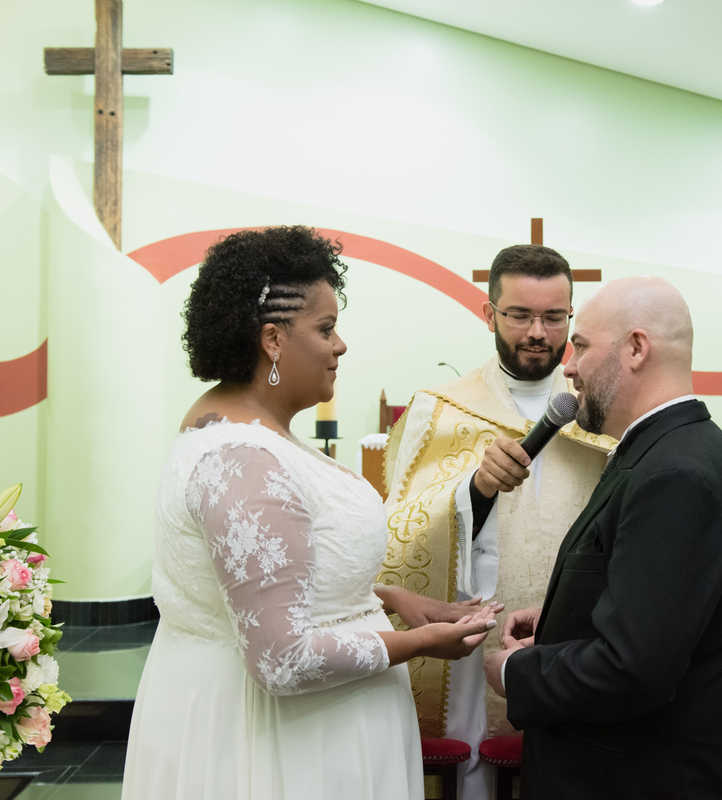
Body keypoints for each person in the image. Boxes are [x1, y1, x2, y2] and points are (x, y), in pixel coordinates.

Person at [122, 227, 497, 800]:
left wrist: (391, 600)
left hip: (297, 725)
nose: (340, 345)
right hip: (284, 745)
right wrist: (423, 644)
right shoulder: (244, 460)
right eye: (325, 329)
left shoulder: (236, 426)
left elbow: (271, 584)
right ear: (273, 339)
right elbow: (282, 658)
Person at [483, 276, 722, 800]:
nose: (568, 366)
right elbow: (656, 614)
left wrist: (519, 672)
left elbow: (633, 668)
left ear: (636, 348)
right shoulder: (661, 451)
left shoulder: (676, 475)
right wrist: (560, 620)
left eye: (582, 346)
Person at [382, 245, 614, 800]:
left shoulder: (603, 411)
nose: (538, 332)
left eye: (554, 317)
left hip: (577, 632)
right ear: (490, 315)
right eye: (519, 316)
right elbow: (402, 529)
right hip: (481, 629)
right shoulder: (440, 409)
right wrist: (475, 488)